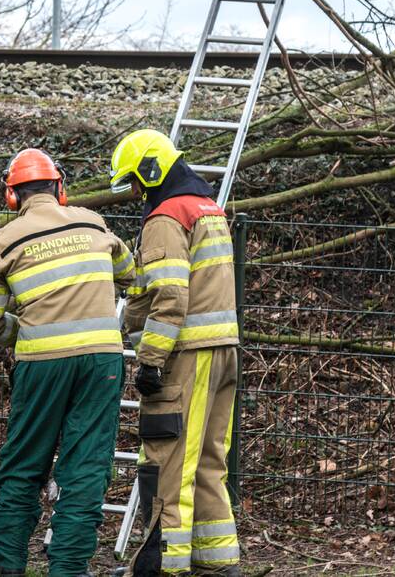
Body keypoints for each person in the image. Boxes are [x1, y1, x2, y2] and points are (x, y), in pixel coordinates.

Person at [0, 148, 135, 577]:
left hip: (42, 364)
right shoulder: (91, 221)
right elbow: (129, 271)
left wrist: (21, 331)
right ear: (60, 188)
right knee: (86, 467)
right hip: (102, 360)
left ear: (12, 196)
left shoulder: (4, 240)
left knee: (25, 462)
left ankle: (9, 565)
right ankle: (69, 568)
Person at [109, 129, 241, 576]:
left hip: (186, 356)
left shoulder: (167, 217)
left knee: (169, 462)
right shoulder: (208, 208)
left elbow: (170, 297)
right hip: (223, 350)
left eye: (134, 181)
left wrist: (149, 359)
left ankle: (164, 566)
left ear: (150, 171)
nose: (133, 193)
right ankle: (218, 561)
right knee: (208, 461)